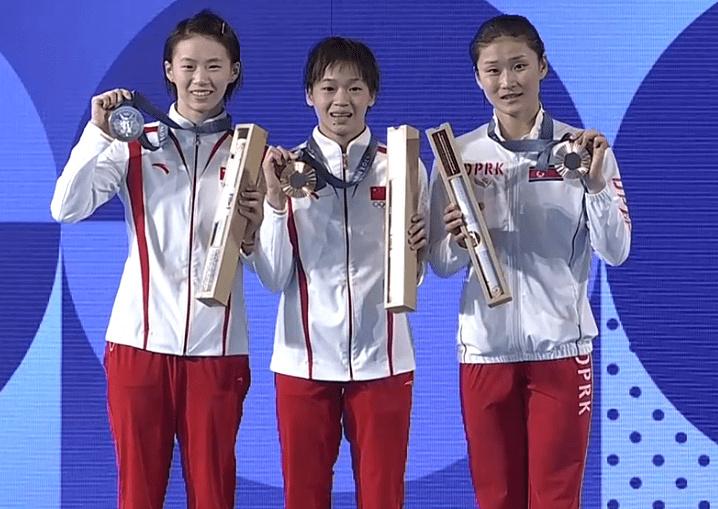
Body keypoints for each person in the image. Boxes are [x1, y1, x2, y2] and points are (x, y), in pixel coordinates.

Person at [50, 9, 262, 509]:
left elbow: (267, 264)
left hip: (218, 350)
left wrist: (257, 228)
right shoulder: (135, 143)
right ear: (169, 70)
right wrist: (99, 134)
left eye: (214, 66)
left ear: (233, 71)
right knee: (138, 495)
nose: (200, 78)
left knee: (214, 495)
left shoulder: (252, 151)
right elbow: (66, 207)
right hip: (138, 346)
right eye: (188, 65)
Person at [427, 14, 631, 509]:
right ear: (478, 78)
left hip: (561, 350)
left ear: (543, 66)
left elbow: (616, 251)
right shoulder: (457, 153)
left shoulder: (583, 150)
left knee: (556, 499)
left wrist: (597, 186)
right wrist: (457, 238)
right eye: (493, 70)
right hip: (485, 351)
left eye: (519, 65)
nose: (507, 81)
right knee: (495, 498)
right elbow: (441, 263)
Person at [252, 36, 428, 509]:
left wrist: (421, 254)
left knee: (383, 498)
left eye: (354, 88)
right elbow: (271, 277)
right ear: (310, 95)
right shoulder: (284, 170)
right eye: (328, 88)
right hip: (303, 361)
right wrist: (273, 203)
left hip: (385, 361)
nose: (340, 101)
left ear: (372, 94)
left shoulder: (403, 166)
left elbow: (420, 269)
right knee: (304, 498)